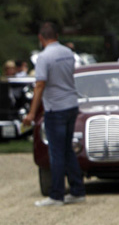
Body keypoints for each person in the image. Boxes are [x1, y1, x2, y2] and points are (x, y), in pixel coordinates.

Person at [24, 22, 85, 206]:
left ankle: (56, 194)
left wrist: (32, 113)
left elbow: (40, 84)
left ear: (41, 38)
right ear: (57, 36)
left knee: (56, 152)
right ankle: (77, 190)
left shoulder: (43, 57)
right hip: (71, 104)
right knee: (67, 149)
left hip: (56, 107)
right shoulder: (68, 53)